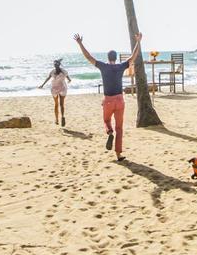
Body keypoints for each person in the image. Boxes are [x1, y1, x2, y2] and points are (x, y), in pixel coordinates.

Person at [73, 32, 143, 162]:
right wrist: (138, 41)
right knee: (119, 128)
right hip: (120, 100)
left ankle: (110, 132)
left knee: (106, 121)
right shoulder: (121, 66)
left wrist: (80, 43)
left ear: (108, 57)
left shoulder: (103, 66)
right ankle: (118, 154)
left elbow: (88, 57)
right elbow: (134, 56)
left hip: (108, 101)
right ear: (116, 58)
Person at [39, 59, 71, 126]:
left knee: (56, 104)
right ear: (59, 65)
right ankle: (62, 117)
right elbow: (69, 79)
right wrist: (69, 80)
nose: (54, 65)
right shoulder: (64, 71)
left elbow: (48, 78)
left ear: (55, 65)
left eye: (54, 64)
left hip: (54, 88)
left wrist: (42, 85)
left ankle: (56, 120)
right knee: (61, 104)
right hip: (62, 88)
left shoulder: (52, 71)